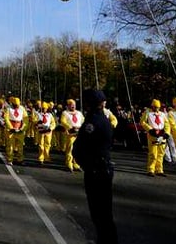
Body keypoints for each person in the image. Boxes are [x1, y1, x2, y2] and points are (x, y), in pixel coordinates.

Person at [72, 89, 117, 244]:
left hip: (96, 170)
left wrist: (83, 162)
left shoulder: (93, 122)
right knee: (104, 213)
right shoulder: (102, 119)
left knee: (100, 213)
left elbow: (82, 145)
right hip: (101, 168)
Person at [141, 99, 169, 176]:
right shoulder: (147, 112)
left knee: (161, 154)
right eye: (155, 107)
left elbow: (167, 124)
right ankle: (151, 169)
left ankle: (159, 170)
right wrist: (150, 130)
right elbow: (142, 122)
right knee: (153, 153)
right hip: (152, 135)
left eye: (158, 107)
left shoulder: (162, 114)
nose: (157, 109)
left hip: (162, 135)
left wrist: (167, 133)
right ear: (152, 106)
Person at [61, 98, 84, 172]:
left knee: (78, 150)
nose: (73, 106)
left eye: (74, 105)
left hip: (79, 133)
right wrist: (71, 127)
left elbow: (83, 121)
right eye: (71, 105)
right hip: (71, 133)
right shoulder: (65, 113)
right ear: (68, 106)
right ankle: (69, 164)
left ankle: (76, 164)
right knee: (70, 149)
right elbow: (63, 122)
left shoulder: (79, 113)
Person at [5, 96, 27, 165]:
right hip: (11, 129)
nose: (17, 106)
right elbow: (6, 118)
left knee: (20, 146)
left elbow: (26, 119)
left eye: (18, 105)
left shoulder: (22, 109)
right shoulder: (8, 109)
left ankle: (20, 160)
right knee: (10, 145)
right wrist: (11, 128)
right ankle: (10, 159)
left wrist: (22, 128)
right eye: (15, 105)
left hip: (20, 129)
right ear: (13, 104)